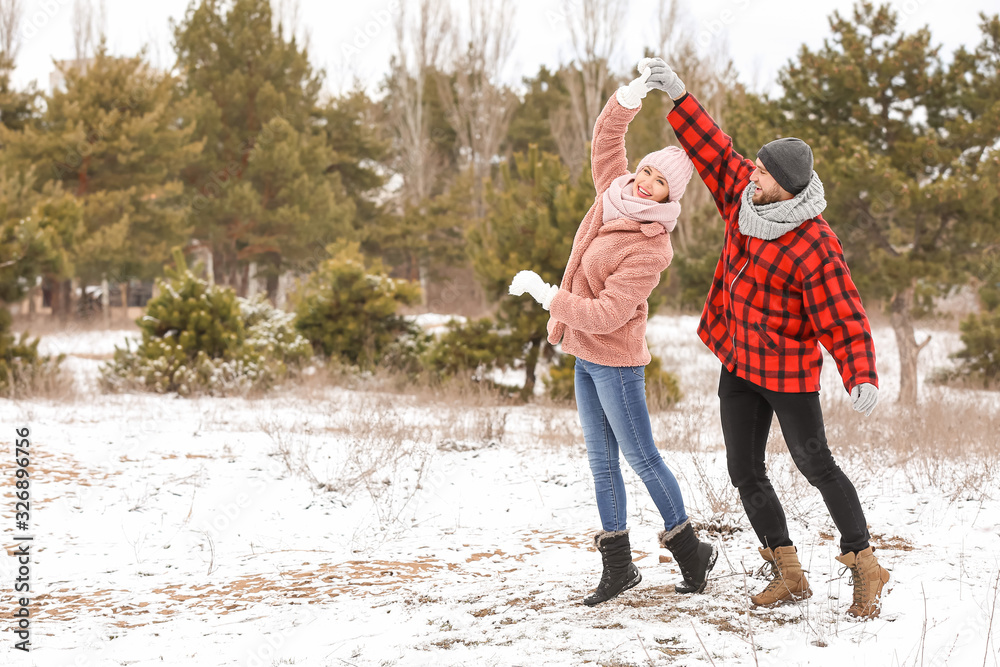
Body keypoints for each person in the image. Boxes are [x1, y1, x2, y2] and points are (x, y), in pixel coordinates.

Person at [653, 60, 890, 618]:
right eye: (754, 167)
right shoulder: (745, 201)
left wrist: (860, 373)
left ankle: (866, 562)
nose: (750, 173)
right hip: (738, 361)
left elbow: (843, 315)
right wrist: (680, 96)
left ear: (785, 184)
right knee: (744, 467)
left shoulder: (814, 244)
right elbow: (715, 151)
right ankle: (787, 570)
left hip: (786, 372)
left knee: (817, 466)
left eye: (762, 171)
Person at [508, 59, 717, 606]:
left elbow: (605, 315)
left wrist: (546, 294)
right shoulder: (613, 191)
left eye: (659, 182)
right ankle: (619, 568)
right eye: (646, 171)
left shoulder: (652, 244)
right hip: (582, 354)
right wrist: (628, 97)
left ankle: (692, 551)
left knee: (642, 458)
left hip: (617, 362)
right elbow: (605, 140)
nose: (645, 183)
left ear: (671, 195)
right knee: (600, 464)